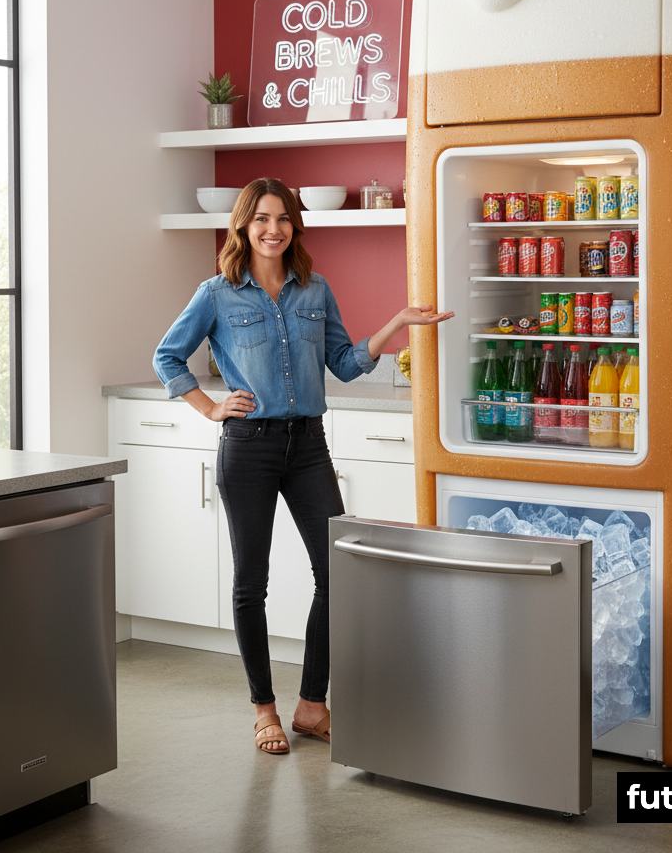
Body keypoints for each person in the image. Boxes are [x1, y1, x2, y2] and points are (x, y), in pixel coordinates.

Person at [152, 177, 452, 755]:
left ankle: (312, 706)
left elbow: (343, 362)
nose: (274, 229)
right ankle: (263, 709)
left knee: (336, 572)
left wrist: (394, 325)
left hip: (309, 445)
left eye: (284, 218)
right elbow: (167, 356)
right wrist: (210, 407)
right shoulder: (216, 293)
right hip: (249, 447)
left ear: (295, 225)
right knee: (251, 583)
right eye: (262, 219)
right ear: (244, 225)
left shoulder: (315, 290)